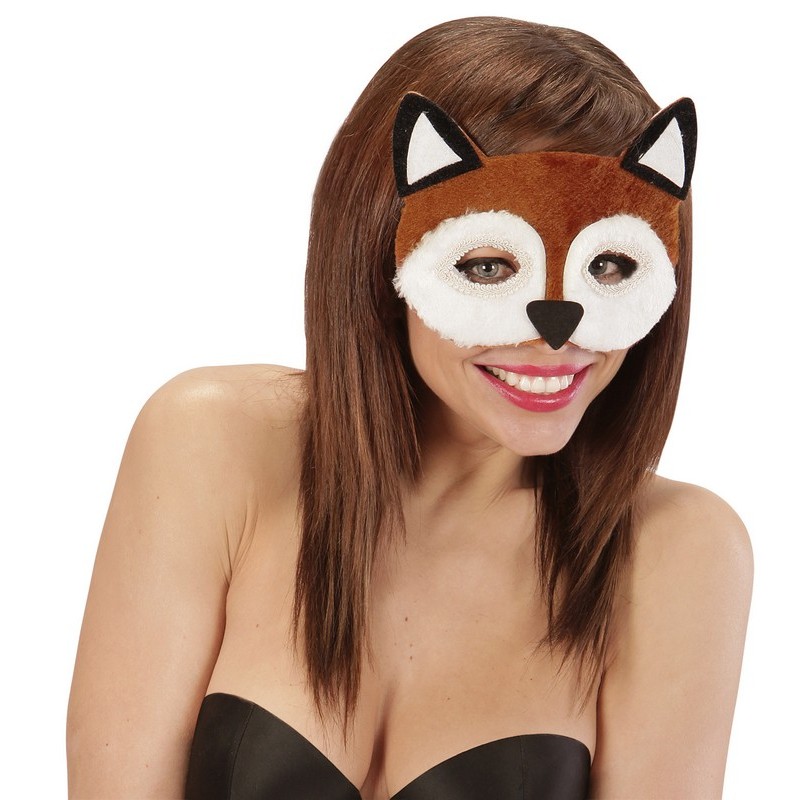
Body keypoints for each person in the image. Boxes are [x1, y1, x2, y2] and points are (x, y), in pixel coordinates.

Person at [66, 16, 753, 799]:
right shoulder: (210, 446)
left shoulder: (678, 554)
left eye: (609, 266)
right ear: (380, 250)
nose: (557, 331)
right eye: (489, 266)